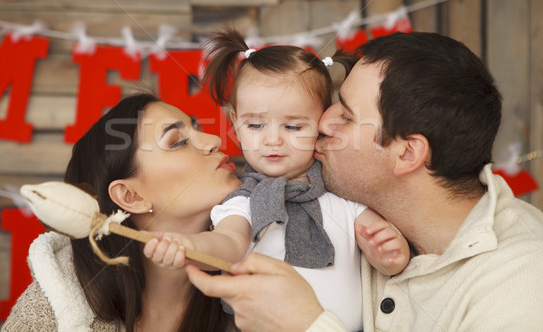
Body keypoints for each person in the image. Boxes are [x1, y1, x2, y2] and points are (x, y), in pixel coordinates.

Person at [185, 31, 543, 331]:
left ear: (407, 154)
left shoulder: (521, 282)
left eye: (346, 114)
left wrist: (308, 324)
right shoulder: (361, 218)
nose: (323, 124)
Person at [144, 29, 410, 330]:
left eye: (293, 127)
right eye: (255, 124)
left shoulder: (341, 191)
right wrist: (188, 247)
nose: (272, 140)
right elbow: (228, 242)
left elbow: (381, 242)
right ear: (235, 122)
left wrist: (389, 253)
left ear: (322, 122)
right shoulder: (243, 199)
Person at [2, 92, 242, 332]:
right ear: (131, 197)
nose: (214, 140)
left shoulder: (251, 293)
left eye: (197, 128)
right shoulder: (43, 318)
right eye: (178, 141)